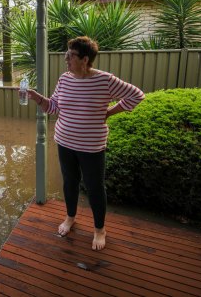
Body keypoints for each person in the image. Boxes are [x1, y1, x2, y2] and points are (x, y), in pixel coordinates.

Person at [27, 36, 144, 251]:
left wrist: (110, 112)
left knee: (94, 188)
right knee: (69, 182)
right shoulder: (64, 79)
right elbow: (54, 107)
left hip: (91, 146)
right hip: (64, 141)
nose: (66, 59)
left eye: (70, 56)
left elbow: (137, 95)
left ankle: (100, 229)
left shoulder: (105, 80)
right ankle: (70, 217)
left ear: (85, 59)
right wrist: (36, 97)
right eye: (67, 55)